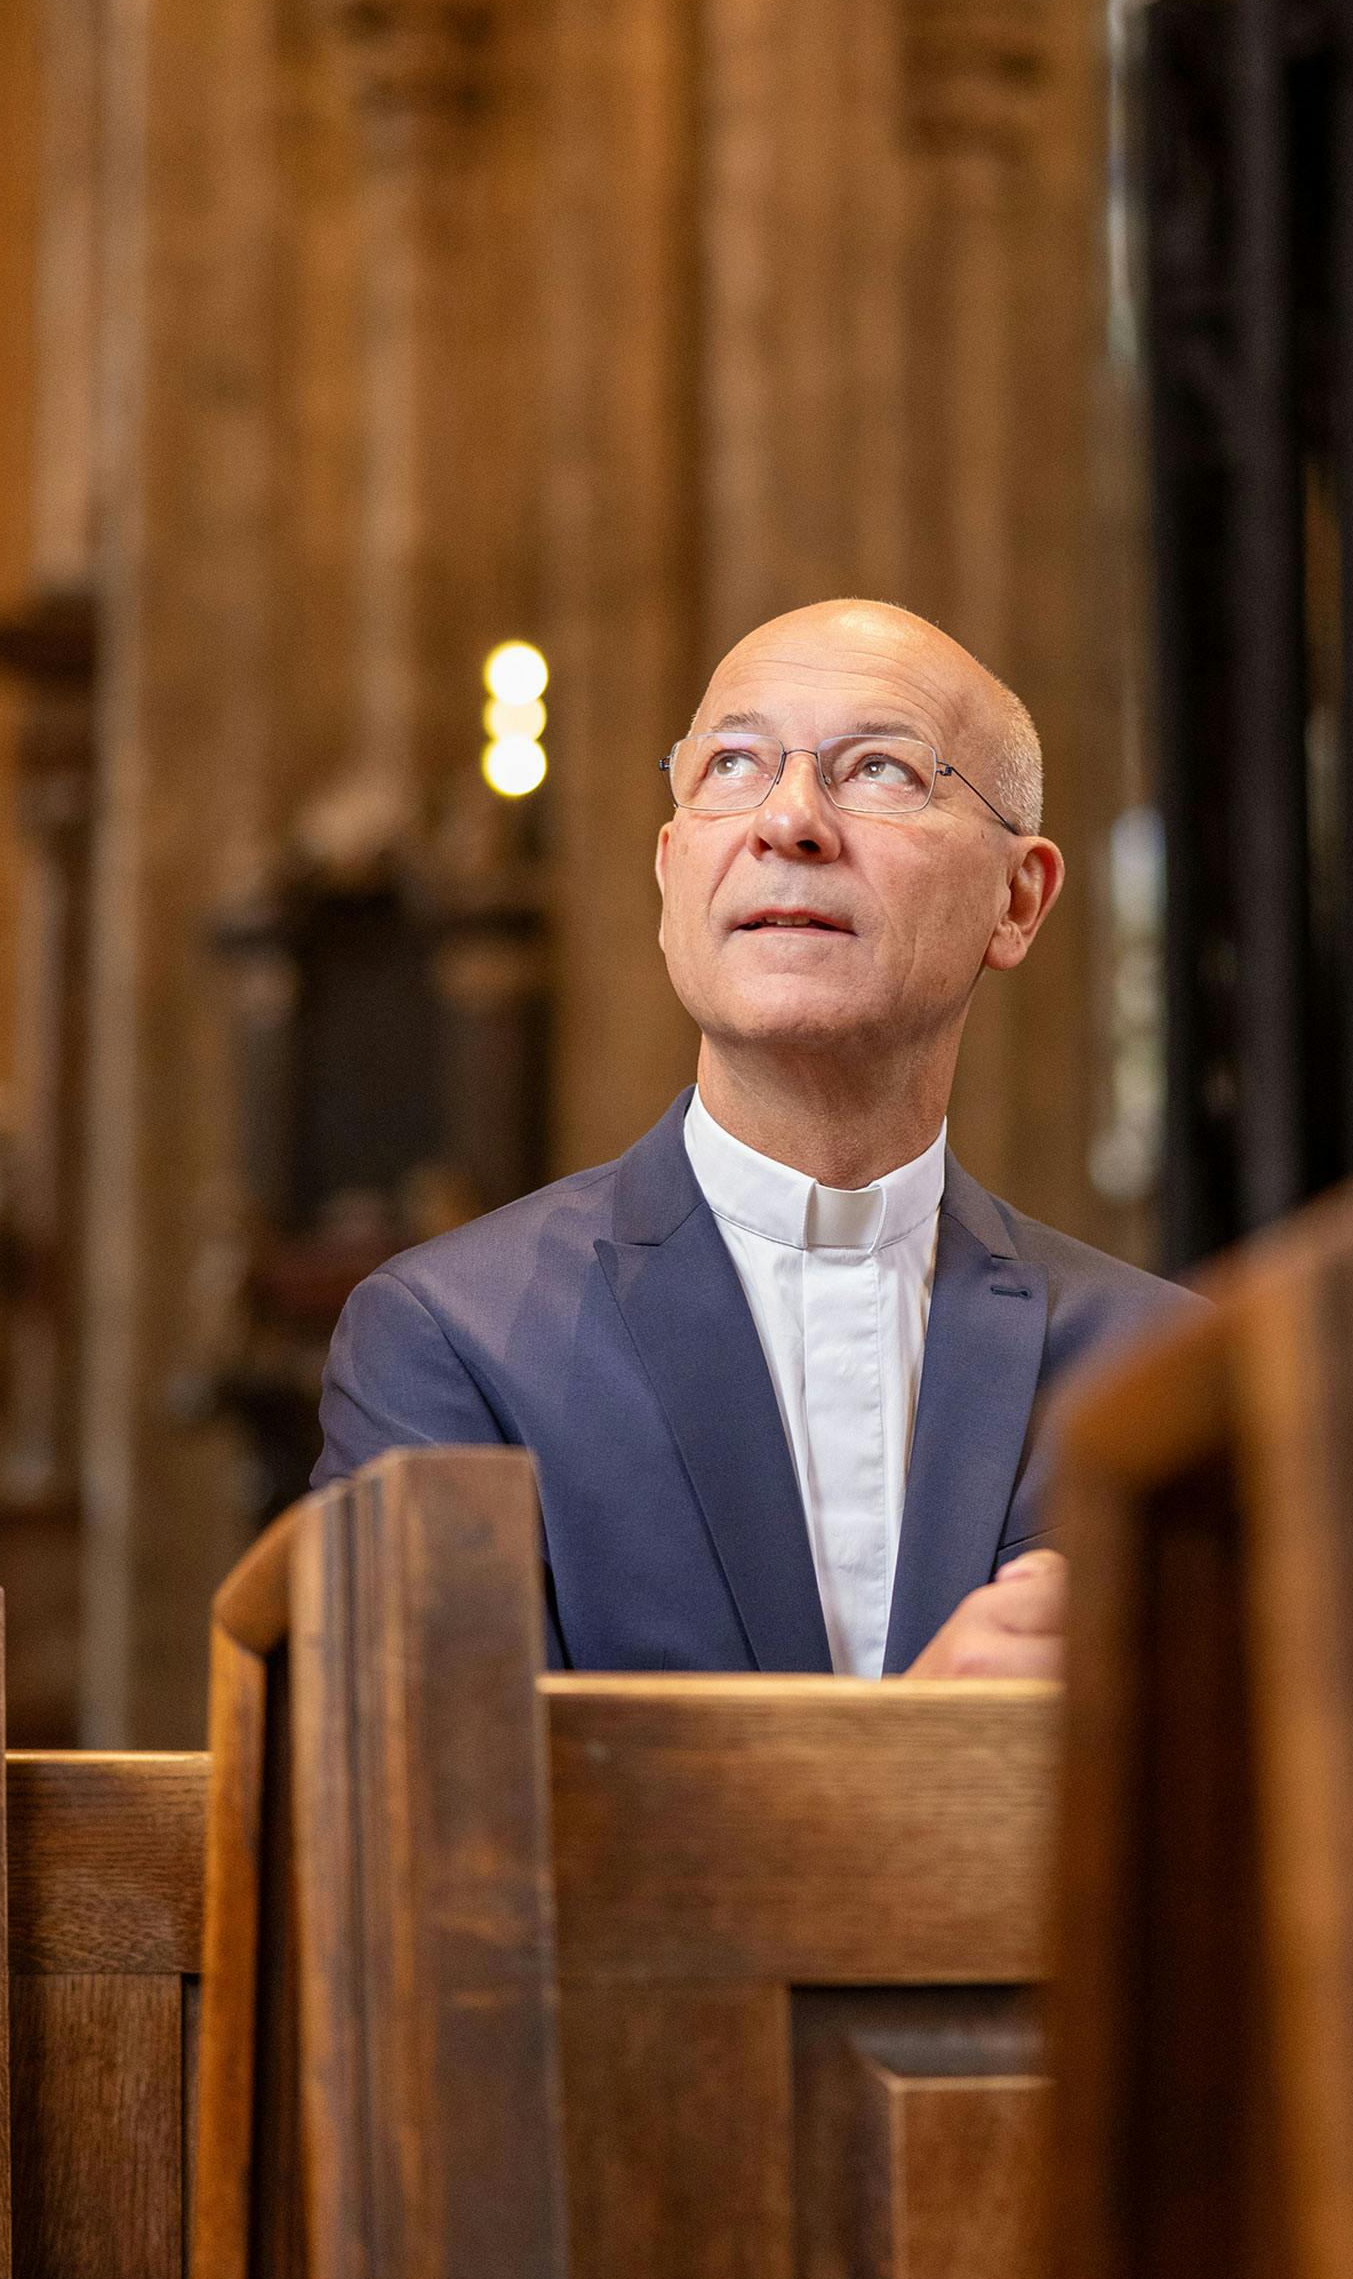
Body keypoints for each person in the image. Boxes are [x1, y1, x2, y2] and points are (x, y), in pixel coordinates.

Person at [314, 599, 1185, 1676]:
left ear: (1018, 898)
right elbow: (440, 1828)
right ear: (673, 875)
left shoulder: (1160, 1372)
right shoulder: (455, 1341)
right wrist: (927, 1751)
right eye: (733, 765)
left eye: (882, 770)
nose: (790, 822)